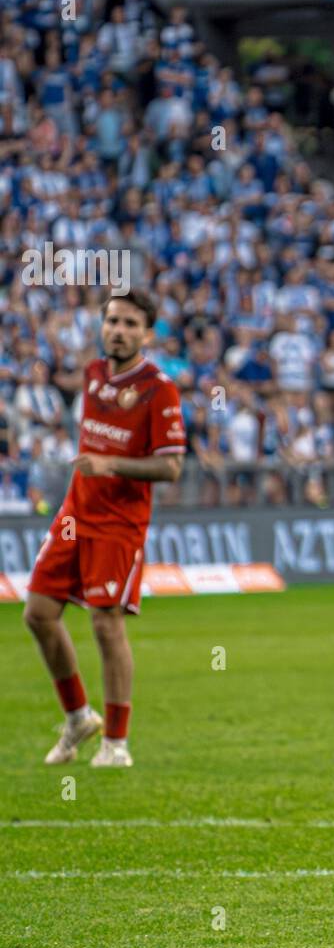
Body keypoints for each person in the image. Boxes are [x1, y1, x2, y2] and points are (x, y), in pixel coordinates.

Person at [23, 289, 186, 768]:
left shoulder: (160, 389)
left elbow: (172, 468)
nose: (119, 330)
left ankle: (116, 743)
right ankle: (78, 717)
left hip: (119, 524)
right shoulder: (93, 373)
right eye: (113, 321)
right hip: (74, 515)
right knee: (37, 613)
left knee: (104, 623)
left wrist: (109, 463)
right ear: (103, 326)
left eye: (130, 324)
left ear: (146, 334)